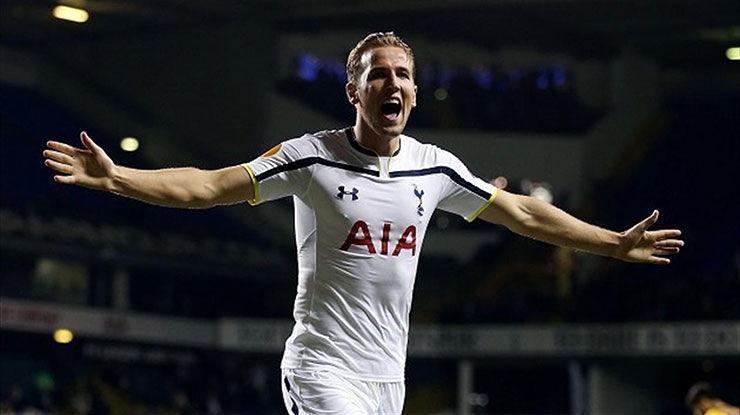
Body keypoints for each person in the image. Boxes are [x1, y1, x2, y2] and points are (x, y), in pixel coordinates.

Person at [43, 32, 684, 415]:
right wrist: (118, 178)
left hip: (389, 380)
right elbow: (209, 186)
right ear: (355, 91)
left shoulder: (434, 168)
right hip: (322, 369)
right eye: (379, 74)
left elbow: (521, 212)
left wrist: (611, 243)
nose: (392, 83)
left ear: (415, 92)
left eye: (403, 74)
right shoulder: (311, 157)